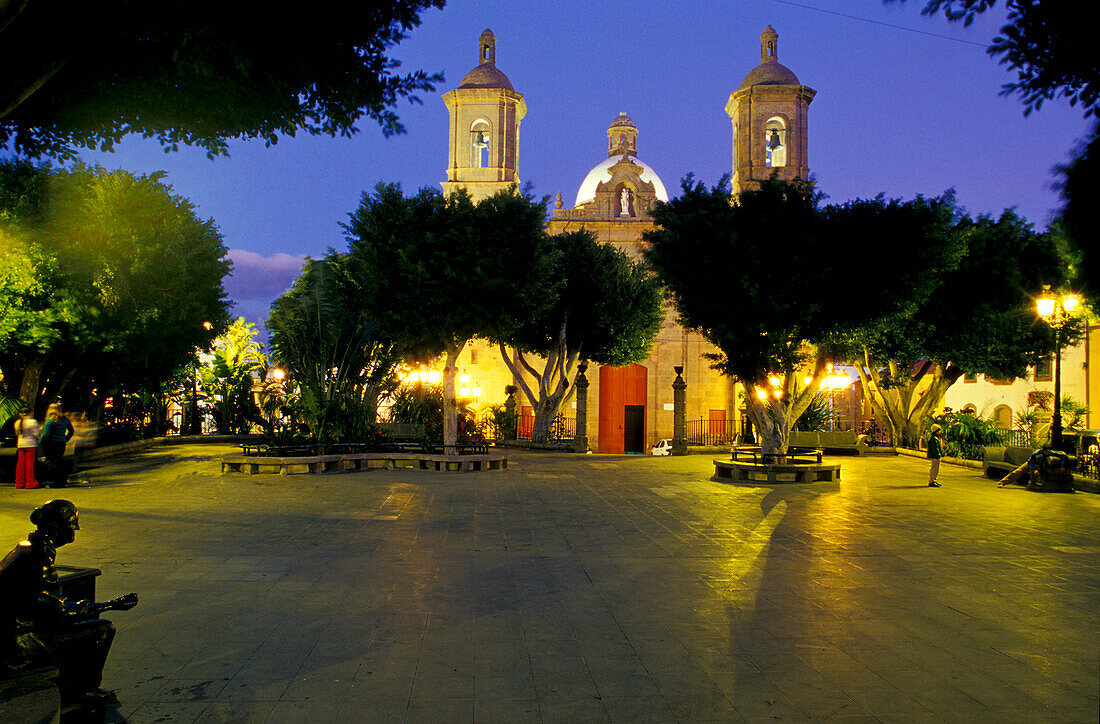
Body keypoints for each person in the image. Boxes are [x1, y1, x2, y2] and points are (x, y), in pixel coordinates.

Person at [0, 500, 138, 715]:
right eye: (73, 523)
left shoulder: (27, 549)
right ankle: (83, 692)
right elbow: (60, 611)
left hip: (15, 632)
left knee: (83, 623)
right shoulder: (39, 559)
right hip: (17, 645)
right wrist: (111, 605)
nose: (77, 528)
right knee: (102, 629)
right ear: (57, 526)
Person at [39, 404, 75, 488]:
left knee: (52, 462)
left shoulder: (50, 421)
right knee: (59, 461)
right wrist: (66, 439)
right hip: (61, 443)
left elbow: (45, 435)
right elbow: (71, 431)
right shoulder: (65, 419)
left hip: (51, 443)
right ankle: (62, 480)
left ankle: (54, 481)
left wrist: (39, 442)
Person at [13, 407, 41, 490]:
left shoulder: (17, 422)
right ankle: (30, 482)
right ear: (30, 413)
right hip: (31, 444)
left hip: (21, 444)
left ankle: (19, 482)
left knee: (20, 463)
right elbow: (36, 434)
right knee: (30, 464)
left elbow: (16, 433)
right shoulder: (32, 422)